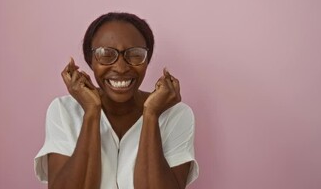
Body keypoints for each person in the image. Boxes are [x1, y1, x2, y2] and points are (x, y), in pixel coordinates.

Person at [34, 12, 199, 189]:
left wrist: (151, 115)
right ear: (90, 61)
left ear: (147, 60)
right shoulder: (63, 110)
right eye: (105, 54)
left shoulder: (176, 114)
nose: (121, 68)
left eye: (135, 54)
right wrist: (91, 111)